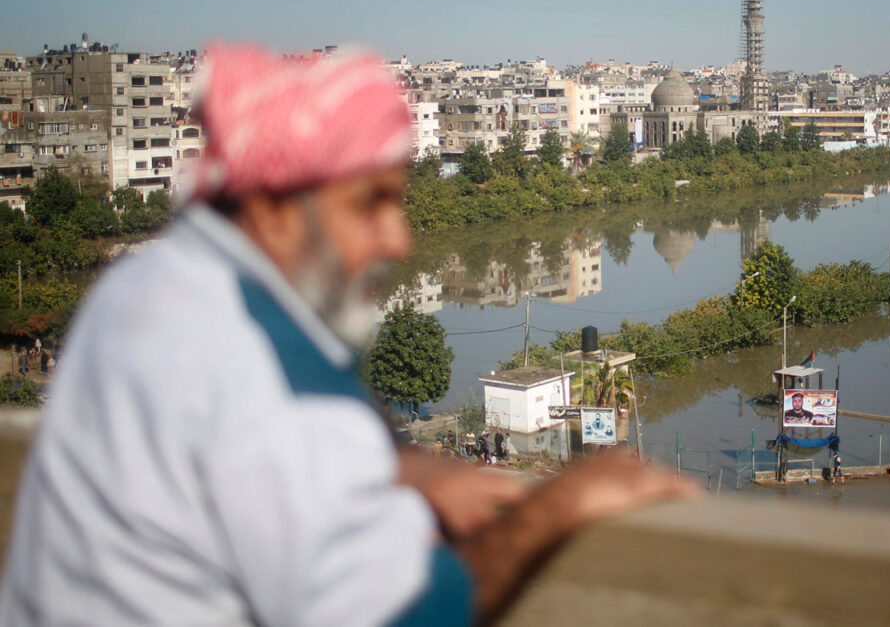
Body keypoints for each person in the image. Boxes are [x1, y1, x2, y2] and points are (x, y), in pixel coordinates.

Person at [0, 44, 693, 626]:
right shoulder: (263, 367)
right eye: (370, 205)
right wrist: (560, 505)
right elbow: (405, 610)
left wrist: (400, 463)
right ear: (272, 208)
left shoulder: (141, 288)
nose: (398, 236)